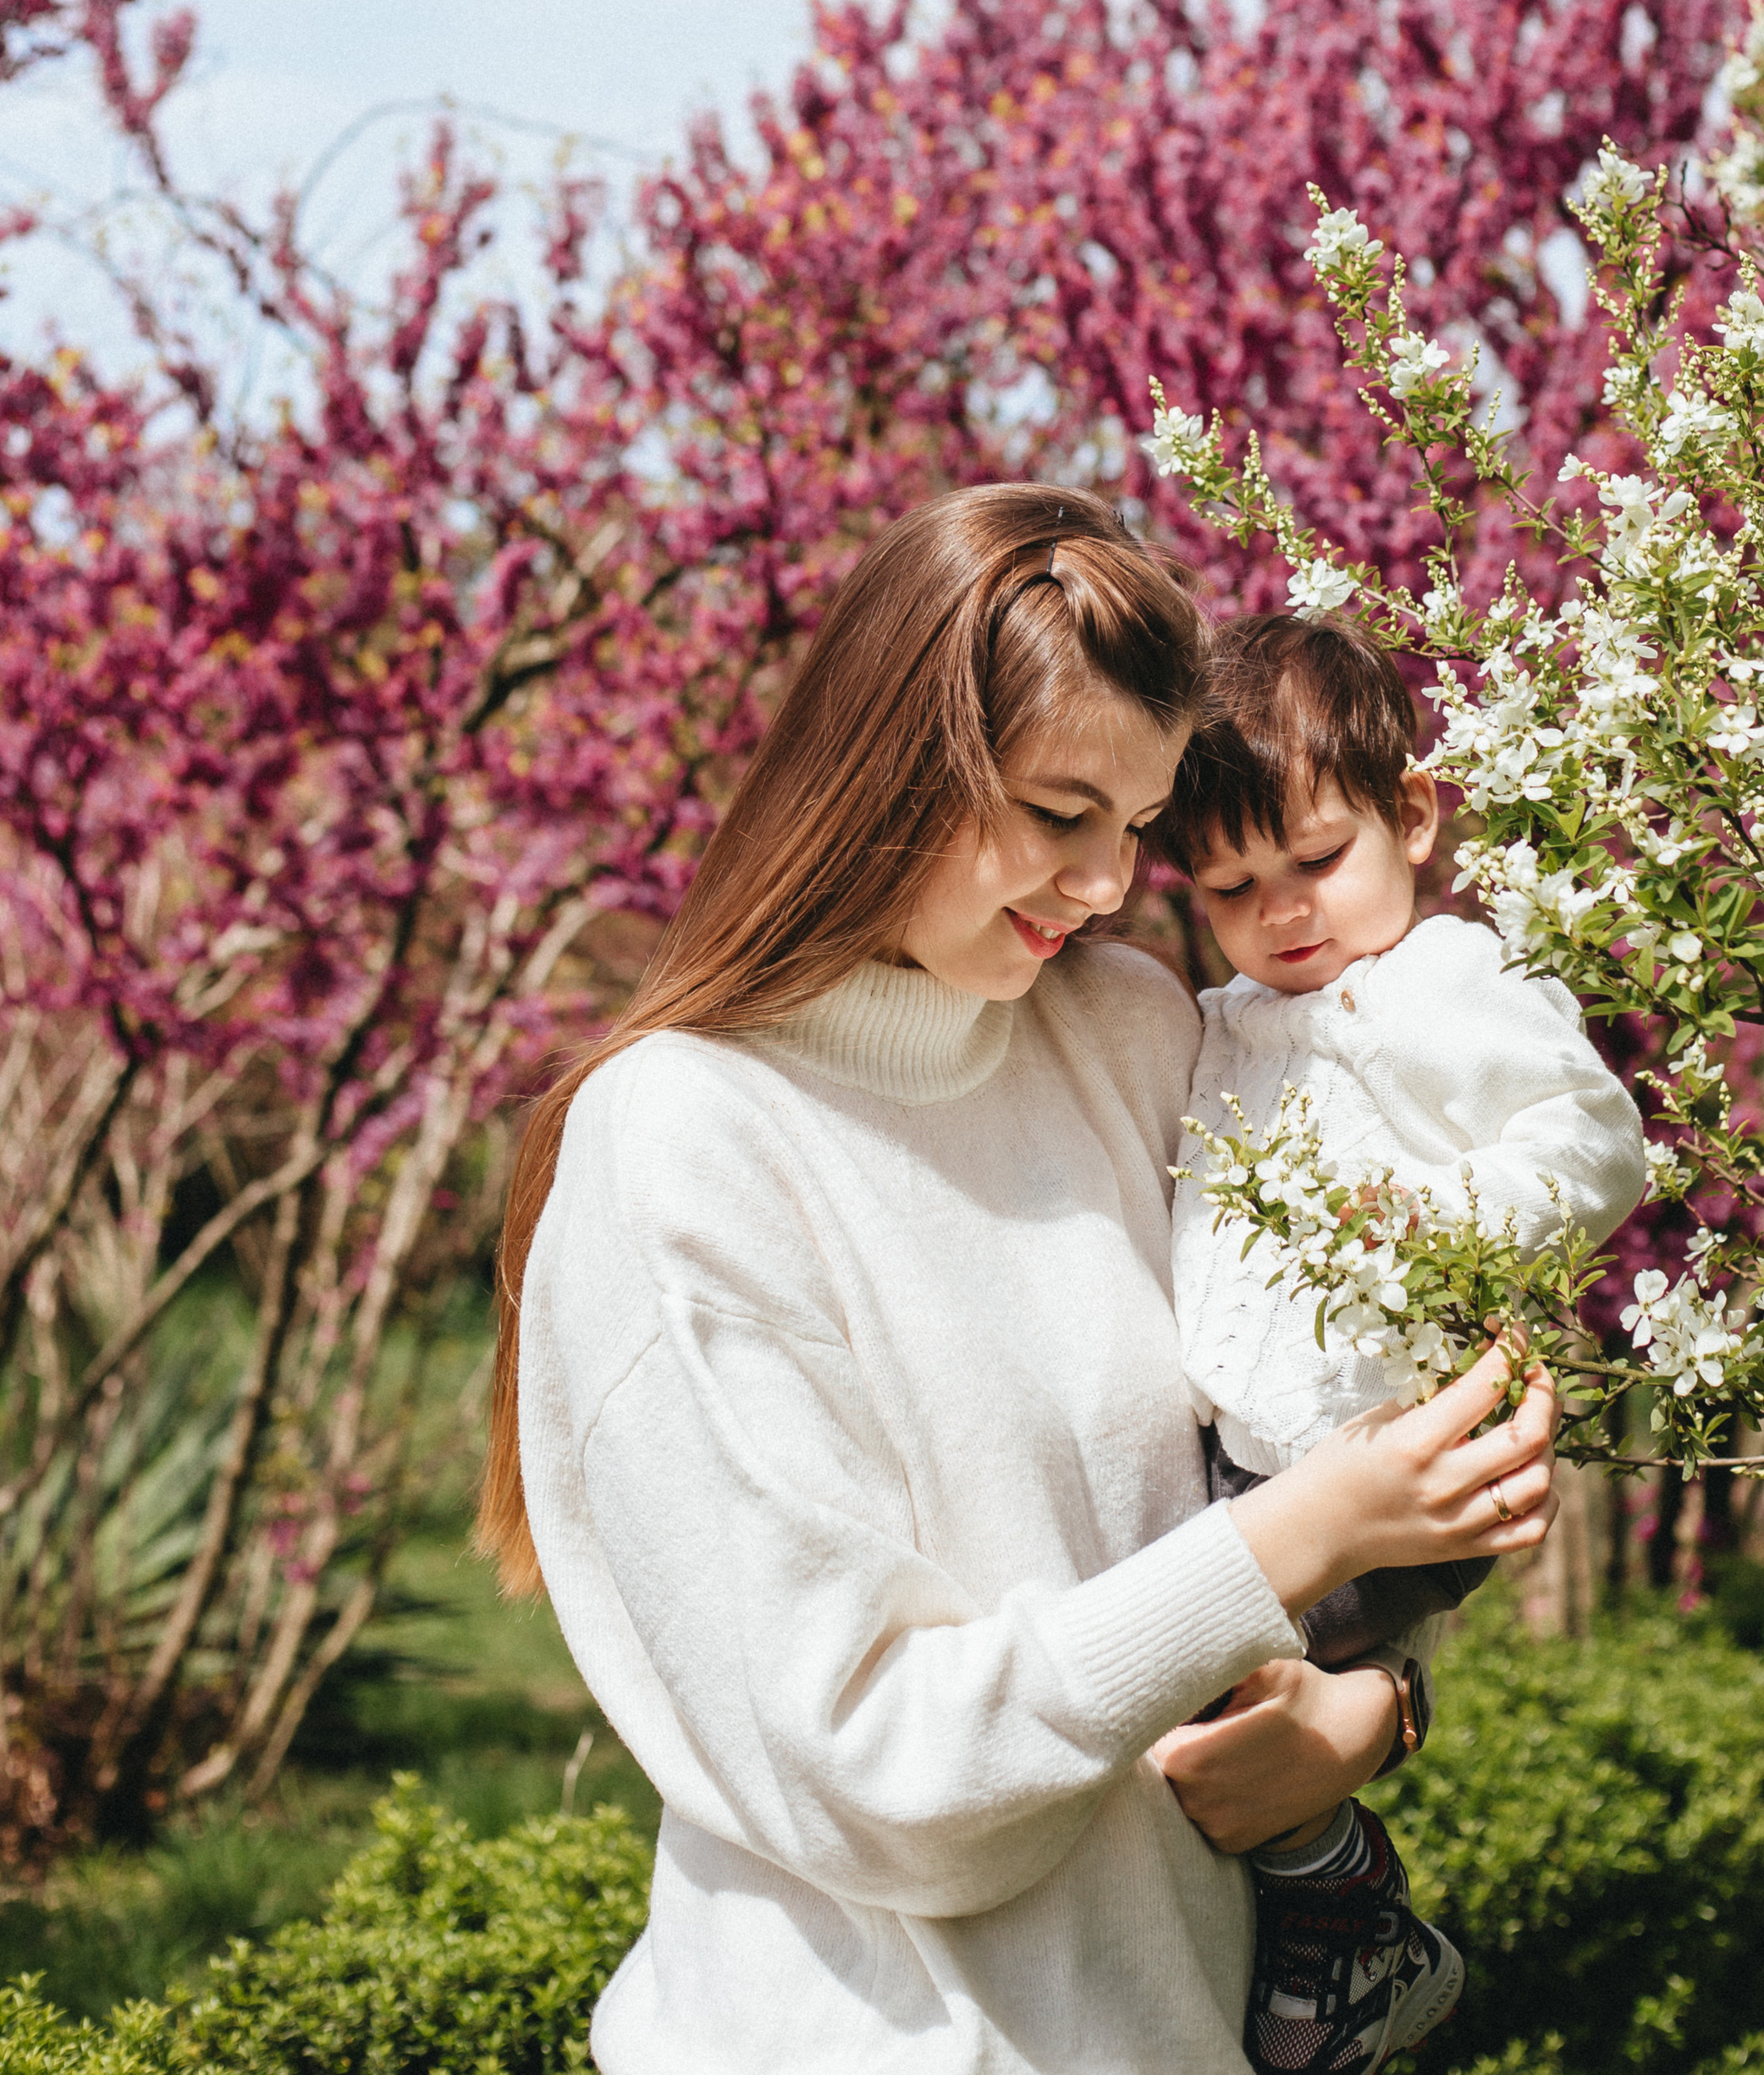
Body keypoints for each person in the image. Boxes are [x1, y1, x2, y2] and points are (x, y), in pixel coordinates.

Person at [479, 484, 1562, 2075]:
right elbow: (879, 1782)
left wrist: (1368, 1702)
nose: (1111, 886)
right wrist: (1308, 1533)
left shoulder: (1123, 1036)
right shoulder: (687, 1145)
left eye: (1136, 830)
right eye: (1061, 816)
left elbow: (1252, 1464)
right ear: (894, 766)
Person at [1159, 610, 1647, 2075]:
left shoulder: (1451, 984)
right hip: (1255, 1465)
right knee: (1206, 1701)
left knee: (1195, 1680)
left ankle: (1350, 1913)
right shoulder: (1222, 1022)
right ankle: (1333, 1917)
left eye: (1318, 859)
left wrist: (1443, 1221)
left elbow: (1594, 1140)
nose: (1287, 911)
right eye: (1236, 888)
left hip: (1396, 1467)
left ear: (1413, 818)